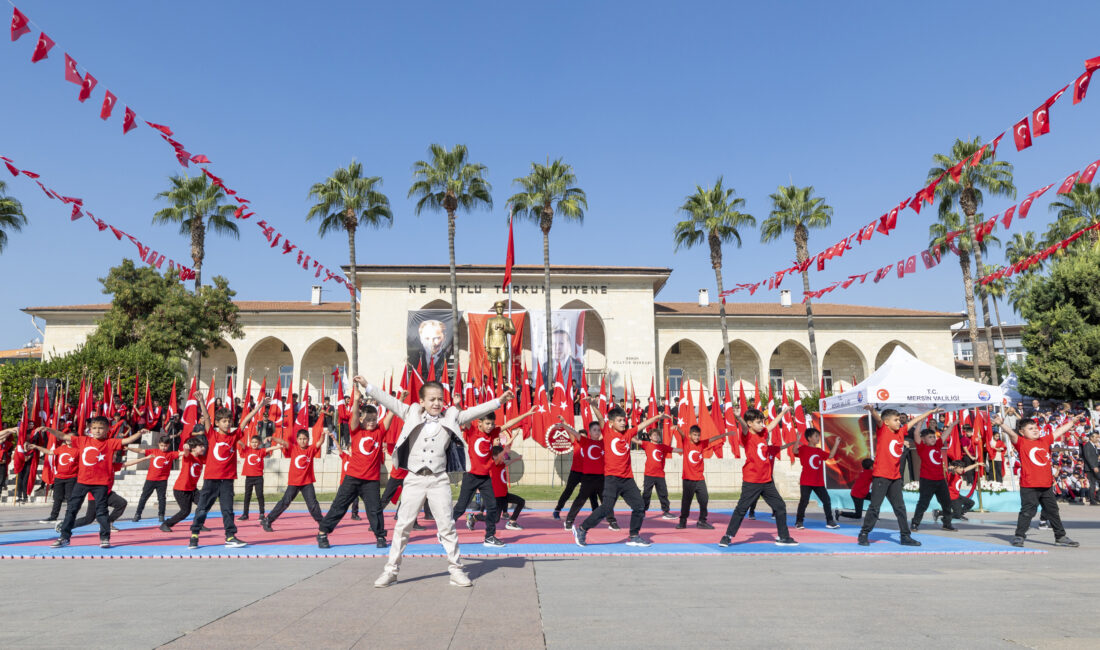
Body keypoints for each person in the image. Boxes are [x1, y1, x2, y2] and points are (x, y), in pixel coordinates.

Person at [363, 377, 506, 589]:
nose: (437, 403)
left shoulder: (451, 416)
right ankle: (391, 571)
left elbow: (473, 412)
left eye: (440, 399)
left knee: (447, 525)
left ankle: (456, 570)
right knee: (403, 526)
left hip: (439, 479)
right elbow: (389, 401)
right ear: (422, 401)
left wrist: (498, 401)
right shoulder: (411, 412)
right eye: (432, 399)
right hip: (414, 478)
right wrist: (368, 386)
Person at [40, 418, 146, 549]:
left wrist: (139, 433)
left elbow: (127, 440)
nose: (97, 430)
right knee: (72, 509)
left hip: (100, 484)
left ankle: (105, 538)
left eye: (101, 428)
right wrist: (49, 429)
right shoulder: (83, 440)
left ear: (108, 430)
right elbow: (63, 436)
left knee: (102, 512)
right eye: (94, 428)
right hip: (82, 482)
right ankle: (64, 537)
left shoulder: (110, 443)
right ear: (90, 430)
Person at [571, 407, 667, 548]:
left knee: (639, 506)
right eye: (619, 420)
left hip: (627, 479)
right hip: (612, 479)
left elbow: (643, 425)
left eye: (624, 420)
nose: (623, 422)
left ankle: (634, 536)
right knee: (606, 509)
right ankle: (581, 529)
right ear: (611, 423)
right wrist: (592, 404)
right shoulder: (608, 432)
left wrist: (657, 417)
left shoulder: (628, 434)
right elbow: (600, 418)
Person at [316, 384, 396, 550]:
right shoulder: (356, 431)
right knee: (339, 506)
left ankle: (380, 536)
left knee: (375, 509)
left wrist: (398, 402)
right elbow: (353, 417)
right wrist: (357, 400)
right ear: (361, 419)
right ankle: (323, 533)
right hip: (352, 478)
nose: (371, 422)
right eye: (368, 419)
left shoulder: (379, 431)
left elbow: (389, 417)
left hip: (371, 481)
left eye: (374, 420)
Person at [856, 405, 940, 547]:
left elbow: (914, 421)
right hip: (881, 477)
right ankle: (864, 534)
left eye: (899, 420)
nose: (899, 422)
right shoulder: (883, 430)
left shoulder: (901, 432)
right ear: (887, 422)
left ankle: (905, 536)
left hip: (895, 478)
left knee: (900, 508)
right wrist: (872, 411)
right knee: (875, 508)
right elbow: (878, 419)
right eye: (895, 420)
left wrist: (930, 412)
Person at [451, 406, 535, 547]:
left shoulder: (493, 433)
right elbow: (464, 418)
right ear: (480, 423)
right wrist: (458, 405)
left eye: (492, 424)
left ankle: (489, 537)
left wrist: (526, 414)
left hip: (485, 478)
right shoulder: (472, 431)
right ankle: (444, 531)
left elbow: (509, 424)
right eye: (487, 424)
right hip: (471, 476)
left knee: (492, 507)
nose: (490, 427)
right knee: (461, 507)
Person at [995, 409, 1081, 548]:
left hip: (1046, 485)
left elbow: (1059, 431)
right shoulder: (1021, 442)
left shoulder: (1045, 440)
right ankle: (1019, 536)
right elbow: (1011, 433)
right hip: (1029, 485)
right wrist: (1001, 425)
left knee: (1053, 511)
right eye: (1030, 428)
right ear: (1022, 432)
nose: (1035, 430)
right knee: (1028, 511)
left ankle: (1060, 537)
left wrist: (1072, 422)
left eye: (1036, 428)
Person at [187, 400, 264, 549]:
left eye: (229, 421)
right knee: (202, 508)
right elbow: (207, 419)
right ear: (217, 422)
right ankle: (194, 535)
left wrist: (259, 407)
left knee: (228, 510)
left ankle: (230, 536)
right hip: (211, 479)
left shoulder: (234, 436)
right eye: (224, 421)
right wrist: (202, 401)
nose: (227, 423)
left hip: (227, 480)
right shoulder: (212, 435)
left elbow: (245, 420)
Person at [719, 407, 797, 547]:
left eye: (762, 422)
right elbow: (743, 427)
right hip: (752, 480)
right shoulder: (747, 435)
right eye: (758, 422)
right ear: (750, 423)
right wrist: (739, 418)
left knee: (780, 506)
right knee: (742, 509)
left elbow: (772, 425)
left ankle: (783, 537)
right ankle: (727, 536)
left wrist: (783, 412)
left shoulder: (763, 434)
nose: (762, 424)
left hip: (766, 481)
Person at [557, 418, 619, 532]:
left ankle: (612, 521)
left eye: (598, 430)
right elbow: (574, 433)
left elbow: (609, 431)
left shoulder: (604, 443)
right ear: (589, 432)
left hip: (601, 478)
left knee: (606, 500)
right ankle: (569, 520)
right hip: (588, 477)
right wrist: (563, 425)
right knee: (580, 500)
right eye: (594, 430)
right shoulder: (585, 442)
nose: (597, 432)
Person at [68, 455, 151, 535]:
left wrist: (145, 458)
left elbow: (128, 463)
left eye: (115, 455)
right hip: (95, 495)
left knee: (121, 503)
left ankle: (108, 523)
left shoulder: (113, 466)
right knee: (89, 519)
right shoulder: (99, 466)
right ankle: (67, 526)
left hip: (107, 493)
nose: (114, 456)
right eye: (112, 455)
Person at [675, 424, 737, 529]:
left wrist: (725, 434)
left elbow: (713, 439)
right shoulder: (686, 443)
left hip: (700, 478)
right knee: (686, 501)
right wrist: (678, 428)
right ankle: (683, 521)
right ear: (690, 435)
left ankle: (702, 521)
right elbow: (682, 435)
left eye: (698, 435)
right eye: (694, 435)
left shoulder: (701, 443)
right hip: (688, 479)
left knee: (704, 499)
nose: (697, 437)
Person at [262, 428, 325, 531]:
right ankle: (268, 520)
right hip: (294, 482)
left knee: (312, 504)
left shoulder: (311, 449)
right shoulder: (293, 448)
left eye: (304, 439)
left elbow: (320, 443)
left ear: (308, 440)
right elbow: (283, 442)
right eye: (300, 439)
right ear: (297, 440)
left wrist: (323, 435)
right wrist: (272, 437)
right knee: (285, 502)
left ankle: (322, 523)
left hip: (307, 482)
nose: (302, 441)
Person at [468, 437, 526, 531]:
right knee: (495, 519)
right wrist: (504, 450)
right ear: (495, 457)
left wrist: (517, 459)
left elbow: (509, 462)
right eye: (502, 455)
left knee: (521, 501)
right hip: (497, 497)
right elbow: (498, 459)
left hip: (504, 495)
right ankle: (474, 518)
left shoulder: (502, 464)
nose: (504, 457)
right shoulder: (493, 464)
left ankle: (512, 522)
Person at [25, 433, 78, 525]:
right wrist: (36, 446)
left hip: (72, 478)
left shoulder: (79, 450)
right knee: (57, 498)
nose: (68, 439)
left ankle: (69, 517)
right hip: (59, 477)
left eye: (71, 437)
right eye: (67, 437)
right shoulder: (62, 448)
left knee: (70, 498)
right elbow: (49, 452)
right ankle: (53, 516)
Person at [793, 427, 840, 530]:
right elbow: (794, 450)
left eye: (818, 436)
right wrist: (797, 440)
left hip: (818, 482)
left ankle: (830, 521)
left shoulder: (819, 451)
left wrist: (836, 443)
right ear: (809, 438)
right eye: (816, 436)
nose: (818, 438)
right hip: (806, 481)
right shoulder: (804, 449)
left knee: (826, 500)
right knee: (804, 501)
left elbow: (831, 455)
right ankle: (799, 521)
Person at [910, 427, 956, 532]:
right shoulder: (922, 448)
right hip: (927, 480)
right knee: (923, 503)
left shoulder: (937, 446)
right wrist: (922, 420)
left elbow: (944, 435)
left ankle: (947, 524)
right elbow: (916, 432)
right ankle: (915, 523)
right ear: (923, 439)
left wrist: (953, 424)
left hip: (940, 480)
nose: (933, 439)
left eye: (934, 437)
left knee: (947, 503)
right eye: (930, 437)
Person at [160, 438, 207, 532]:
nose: (203, 448)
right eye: (200, 446)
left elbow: (211, 462)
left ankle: (197, 524)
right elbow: (186, 453)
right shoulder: (188, 457)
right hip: (181, 489)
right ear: (193, 448)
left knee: (203, 504)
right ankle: (166, 524)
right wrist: (185, 448)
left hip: (192, 489)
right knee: (185, 512)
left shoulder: (201, 458)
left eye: (203, 446)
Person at [129, 435, 178, 523]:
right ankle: (137, 514)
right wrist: (129, 448)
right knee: (143, 497)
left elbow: (182, 453)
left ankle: (161, 515)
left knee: (162, 498)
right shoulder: (153, 451)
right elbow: (140, 450)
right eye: (162, 445)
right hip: (150, 479)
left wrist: (187, 449)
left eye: (166, 446)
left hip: (162, 480)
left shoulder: (171, 454)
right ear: (158, 444)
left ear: (169, 445)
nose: (163, 448)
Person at [238, 435, 278, 520]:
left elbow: (269, 449)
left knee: (259, 495)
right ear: (250, 443)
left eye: (256, 442)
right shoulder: (248, 450)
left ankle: (262, 513)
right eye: (252, 442)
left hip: (258, 478)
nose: (254, 444)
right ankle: (245, 514)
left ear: (259, 443)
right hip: (249, 478)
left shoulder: (261, 451)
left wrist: (279, 446)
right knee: (247, 496)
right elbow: (241, 443)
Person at [640, 427, 675, 519]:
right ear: (650, 437)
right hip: (649, 474)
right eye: (654, 435)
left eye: (658, 435)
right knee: (646, 494)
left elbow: (675, 450)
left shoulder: (662, 446)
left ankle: (666, 512)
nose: (656, 436)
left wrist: (688, 450)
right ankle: (642, 512)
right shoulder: (647, 444)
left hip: (660, 475)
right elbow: (635, 440)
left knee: (663, 493)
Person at [1080, 431, 1100, 505]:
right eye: (1095, 437)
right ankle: (1092, 500)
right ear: (1091, 438)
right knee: (1092, 484)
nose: (1097, 439)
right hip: (1091, 468)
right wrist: (1093, 466)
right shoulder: (1087, 445)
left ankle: (1097, 497)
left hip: (1095, 467)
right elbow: (1088, 457)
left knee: (1095, 483)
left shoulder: (1093, 445)